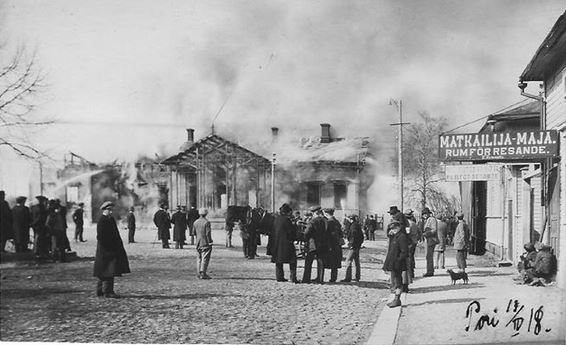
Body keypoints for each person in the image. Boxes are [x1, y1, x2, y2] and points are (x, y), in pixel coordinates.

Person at [93, 201, 130, 298]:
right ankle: (108, 291)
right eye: (109, 210)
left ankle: (100, 290)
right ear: (104, 210)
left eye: (111, 210)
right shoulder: (102, 220)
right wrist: (109, 247)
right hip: (106, 250)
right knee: (109, 270)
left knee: (104, 271)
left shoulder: (110, 219)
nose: (111, 212)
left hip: (109, 249)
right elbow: (100, 236)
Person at [383, 220, 409, 308]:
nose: (392, 230)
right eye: (391, 229)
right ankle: (396, 299)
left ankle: (397, 299)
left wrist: (398, 260)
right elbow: (391, 249)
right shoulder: (394, 237)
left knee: (398, 282)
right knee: (396, 281)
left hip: (398, 263)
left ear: (398, 228)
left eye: (394, 229)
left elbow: (404, 251)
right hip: (393, 263)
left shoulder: (401, 237)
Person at [271, 203, 299, 283]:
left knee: (278, 260)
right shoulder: (287, 220)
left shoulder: (276, 219)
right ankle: (293, 278)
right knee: (293, 261)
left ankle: (279, 277)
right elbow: (291, 232)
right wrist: (295, 227)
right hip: (287, 244)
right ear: (288, 212)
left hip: (277, 243)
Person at [301, 206, 328, 284]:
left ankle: (306, 279)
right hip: (322, 244)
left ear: (314, 213)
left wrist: (304, 238)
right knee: (320, 262)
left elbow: (307, 233)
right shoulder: (325, 221)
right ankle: (320, 279)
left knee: (308, 262)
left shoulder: (312, 222)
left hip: (312, 244)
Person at [341, 214, 364, 282]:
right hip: (357, 246)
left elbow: (353, 235)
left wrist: (351, 244)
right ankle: (357, 276)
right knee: (356, 261)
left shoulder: (353, 226)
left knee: (348, 260)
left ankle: (348, 278)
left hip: (353, 246)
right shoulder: (357, 225)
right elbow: (361, 237)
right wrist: (359, 244)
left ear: (350, 219)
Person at [323, 208, 343, 282]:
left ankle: (322, 277)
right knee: (335, 262)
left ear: (326, 214)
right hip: (337, 245)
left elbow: (326, 234)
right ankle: (333, 278)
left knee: (328, 260)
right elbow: (341, 234)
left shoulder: (328, 222)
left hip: (330, 245)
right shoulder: (337, 221)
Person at [194, 208, 213, 279]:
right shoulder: (207, 222)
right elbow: (208, 233)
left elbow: (194, 233)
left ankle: (198, 273)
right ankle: (203, 273)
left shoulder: (195, 222)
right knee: (205, 258)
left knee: (199, 258)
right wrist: (210, 241)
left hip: (198, 242)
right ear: (206, 214)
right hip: (205, 242)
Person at [421, 207, 438, 277]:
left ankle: (430, 271)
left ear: (429, 213)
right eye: (423, 214)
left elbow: (434, 230)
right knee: (428, 256)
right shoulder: (426, 220)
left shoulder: (432, 219)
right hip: (428, 240)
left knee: (429, 256)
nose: (425, 215)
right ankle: (430, 270)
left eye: (426, 214)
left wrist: (425, 234)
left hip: (431, 239)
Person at [404, 209, 419, 282]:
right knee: (411, 257)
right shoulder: (413, 223)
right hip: (414, 241)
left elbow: (407, 234)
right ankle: (412, 272)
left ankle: (409, 275)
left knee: (408, 258)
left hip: (409, 242)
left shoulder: (408, 224)